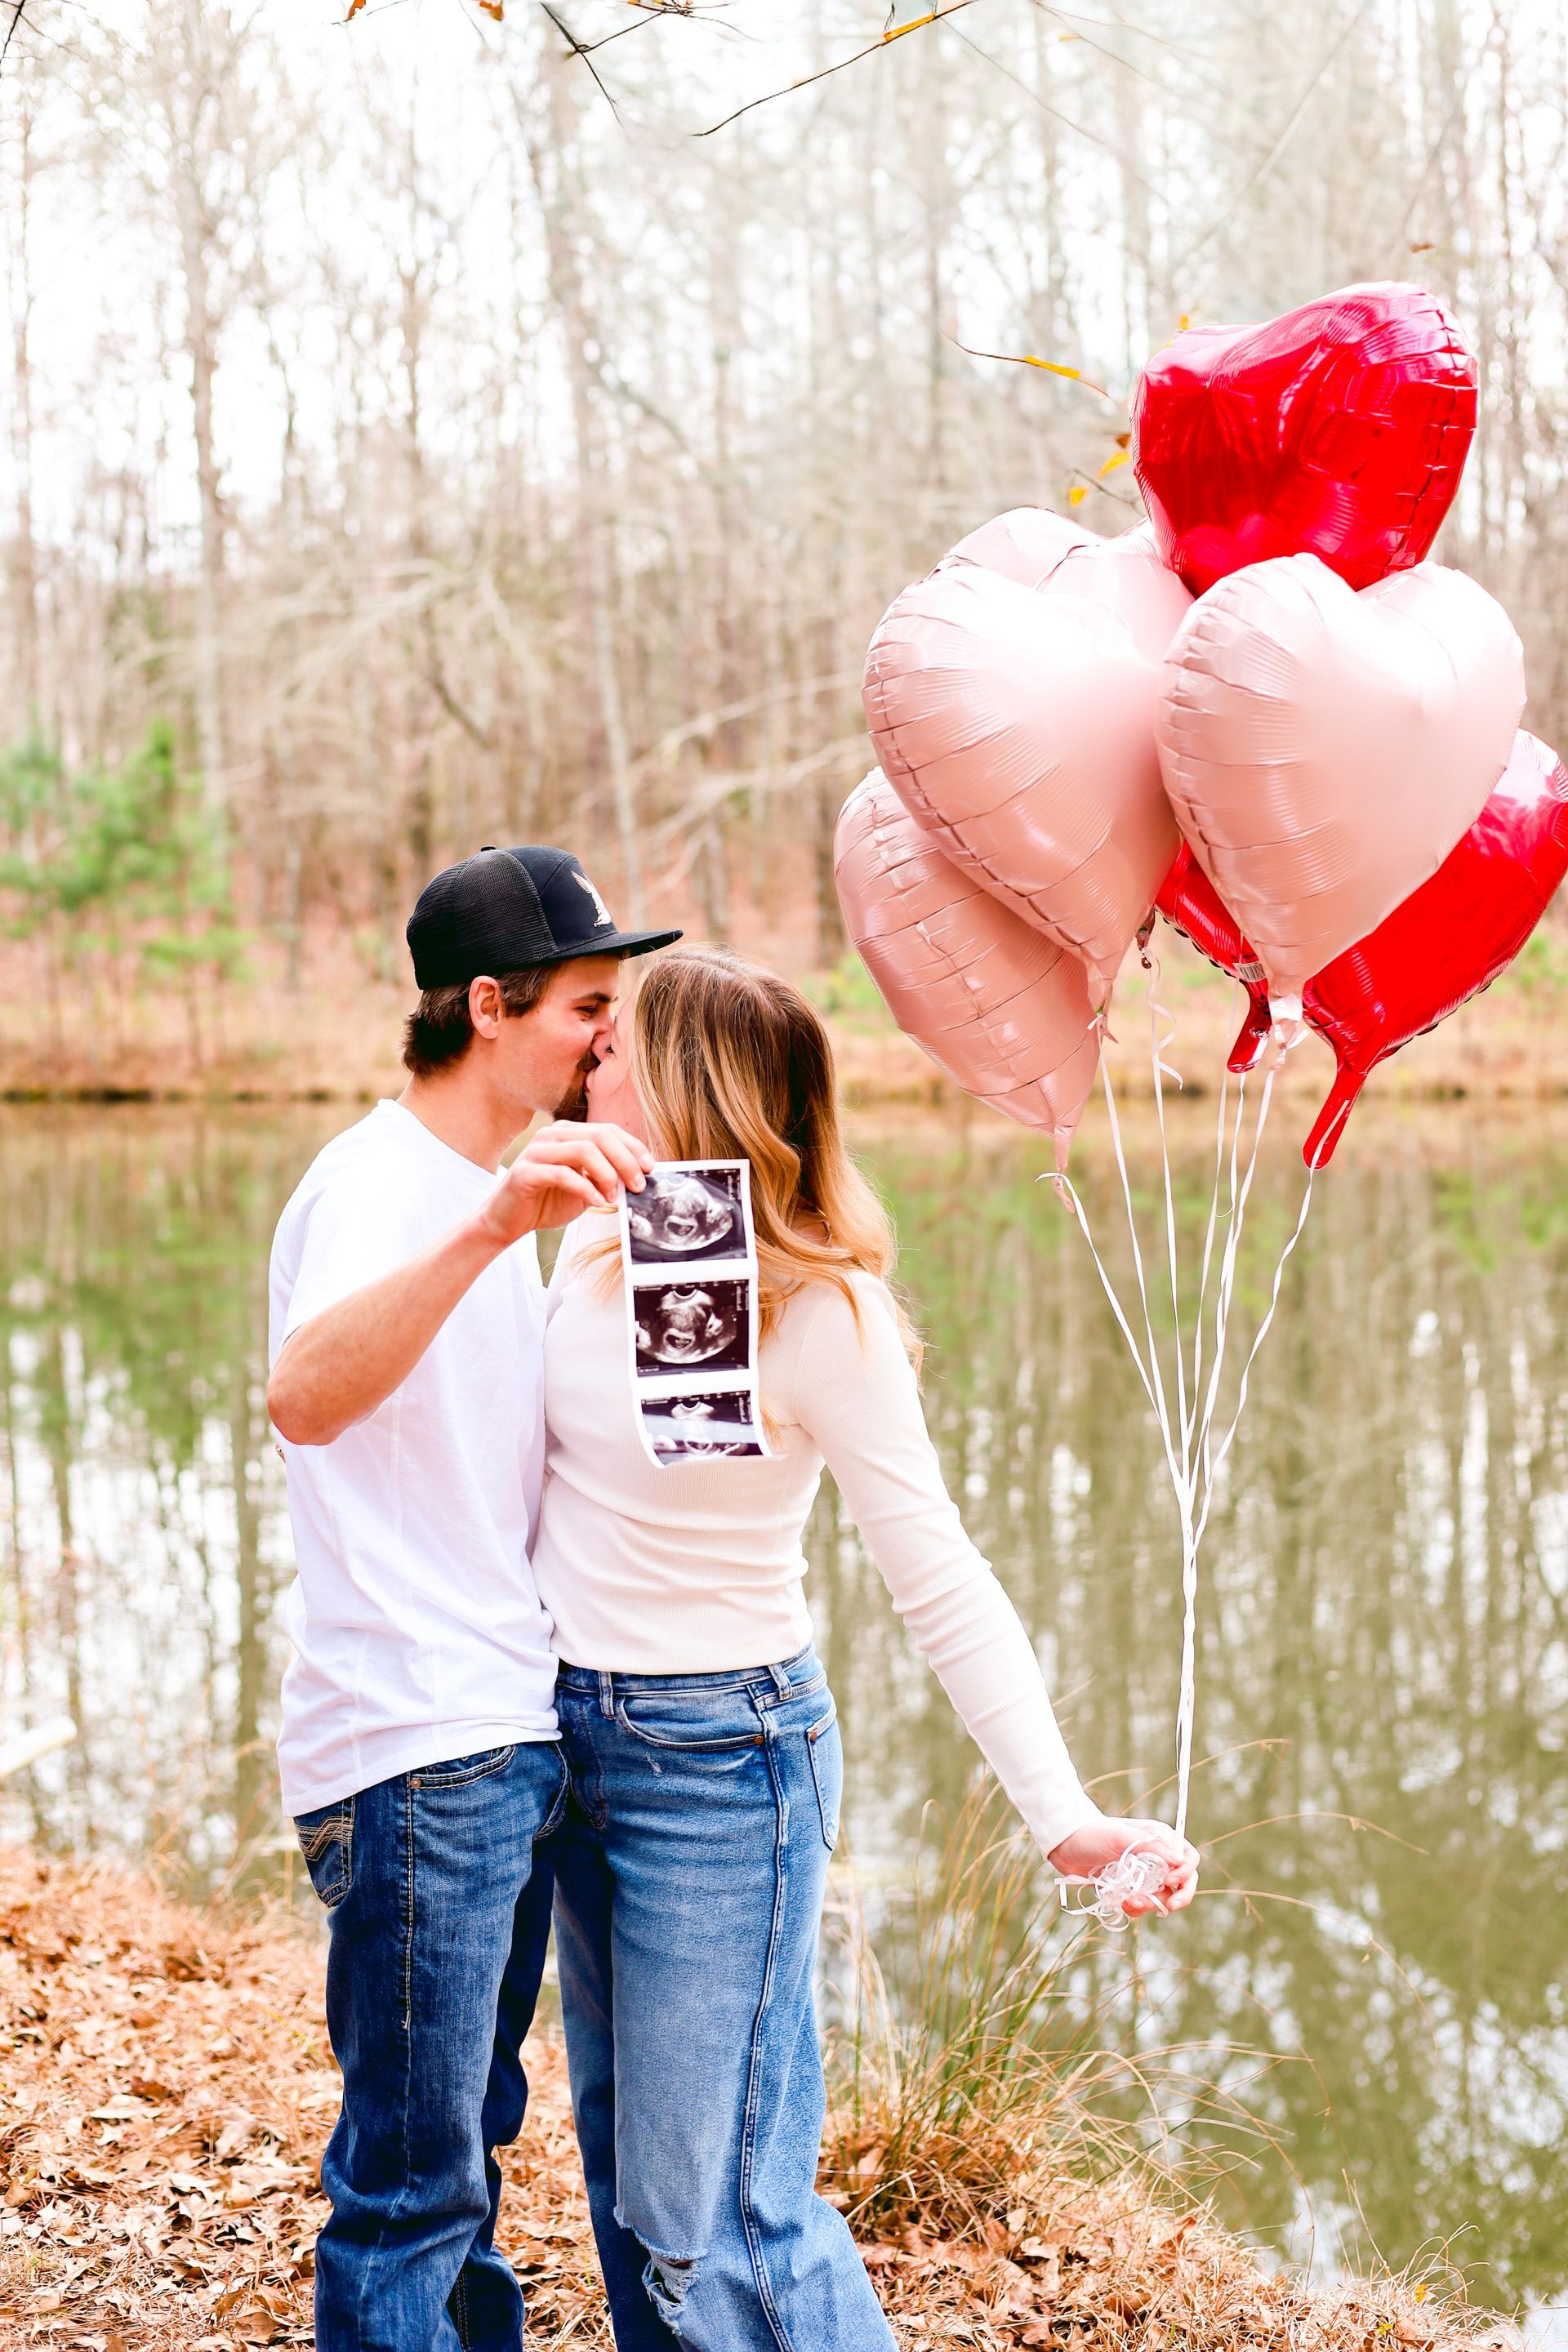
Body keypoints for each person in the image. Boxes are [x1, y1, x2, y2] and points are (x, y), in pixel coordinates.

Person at [534, 945, 1200, 2352]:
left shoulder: (819, 1308)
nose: (589, 1056)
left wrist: (1062, 1816)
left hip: (721, 1763)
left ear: (686, 1083)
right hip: (565, 1739)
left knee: (716, 2212)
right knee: (631, 2191)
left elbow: (938, 1573)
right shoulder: (593, 1241)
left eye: (616, 1043)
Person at [265, 844, 679, 2352]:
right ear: (489, 1007)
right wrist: (496, 1226)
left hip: (505, 1734)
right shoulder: (383, 1185)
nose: (608, 1042)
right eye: (587, 1009)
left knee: (462, 2158)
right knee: (413, 2186)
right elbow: (304, 1397)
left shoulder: (496, 1194)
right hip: (415, 1746)